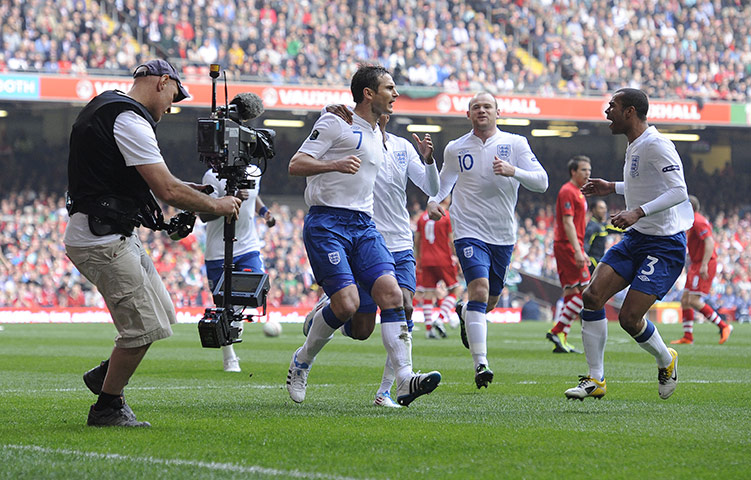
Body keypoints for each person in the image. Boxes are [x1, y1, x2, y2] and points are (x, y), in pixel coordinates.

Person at [65, 59, 242, 427]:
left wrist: (187, 190)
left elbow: (130, 177)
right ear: (163, 82)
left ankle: (105, 375)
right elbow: (166, 189)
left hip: (110, 232)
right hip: (102, 238)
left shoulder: (108, 106)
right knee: (143, 328)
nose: (171, 107)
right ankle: (107, 407)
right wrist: (217, 205)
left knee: (161, 313)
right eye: (174, 96)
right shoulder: (130, 119)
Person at [286, 64, 441, 407]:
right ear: (369, 94)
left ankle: (403, 380)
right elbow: (295, 165)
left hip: (364, 225)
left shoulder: (378, 134)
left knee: (394, 295)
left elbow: (430, 186)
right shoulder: (335, 122)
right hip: (327, 222)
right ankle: (302, 361)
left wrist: (427, 162)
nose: (396, 94)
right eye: (389, 88)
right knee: (348, 306)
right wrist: (334, 164)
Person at [565, 88, 693, 401]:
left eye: (613, 106)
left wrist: (637, 211)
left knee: (629, 319)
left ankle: (666, 360)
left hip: (664, 245)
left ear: (630, 112)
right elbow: (646, 184)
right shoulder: (636, 144)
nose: (607, 111)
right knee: (592, 296)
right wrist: (614, 188)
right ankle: (596, 379)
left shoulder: (657, 144)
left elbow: (679, 191)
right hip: (637, 238)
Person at [427, 91, 549, 389]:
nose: (481, 111)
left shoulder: (515, 144)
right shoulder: (456, 148)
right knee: (479, 290)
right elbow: (443, 182)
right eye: (475, 107)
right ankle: (481, 364)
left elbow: (542, 182)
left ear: (498, 112)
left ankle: (465, 312)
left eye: (487, 106)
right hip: (468, 230)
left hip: (503, 234)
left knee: (490, 299)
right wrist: (434, 201)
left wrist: (514, 171)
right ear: (468, 115)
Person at [199, 165, 276, 372]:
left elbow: (254, 195)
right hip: (218, 250)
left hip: (248, 245)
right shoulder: (212, 175)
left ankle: (235, 325)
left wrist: (264, 212)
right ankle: (229, 357)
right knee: (225, 304)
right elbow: (204, 215)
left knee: (256, 291)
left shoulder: (254, 171)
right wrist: (230, 197)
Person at [671, 195, 733, 345]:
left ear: (689, 208)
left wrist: (704, 264)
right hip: (696, 264)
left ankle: (724, 326)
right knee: (685, 300)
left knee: (693, 300)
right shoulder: (691, 222)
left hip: (704, 264)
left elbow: (710, 242)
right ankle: (688, 336)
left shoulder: (698, 221)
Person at [545, 155, 591, 354]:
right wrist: (578, 250)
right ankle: (557, 330)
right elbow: (567, 222)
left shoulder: (579, 193)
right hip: (567, 246)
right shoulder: (567, 191)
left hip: (571, 245)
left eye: (589, 170)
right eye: (583, 170)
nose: (588, 173)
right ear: (573, 171)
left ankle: (561, 336)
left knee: (572, 293)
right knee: (587, 291)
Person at [414, 195, 463, 338]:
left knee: (428, 293)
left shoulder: (422, 217)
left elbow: (417, 239)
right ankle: (440, 318)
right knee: (456, 289)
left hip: (426, 259)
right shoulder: (446, 216)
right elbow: (451, 239)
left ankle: (429, 330)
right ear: (447, 199)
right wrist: (457, 257)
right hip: (443, 258)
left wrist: (419, 258)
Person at [584, 199, 622, 274]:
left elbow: (620, 229)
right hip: (592, 264)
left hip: (599, 262)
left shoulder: (602, 226)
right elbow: (585, 245)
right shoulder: (592, 227)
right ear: (593, 210)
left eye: (605, 208)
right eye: (601, 208)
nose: (604, 210)